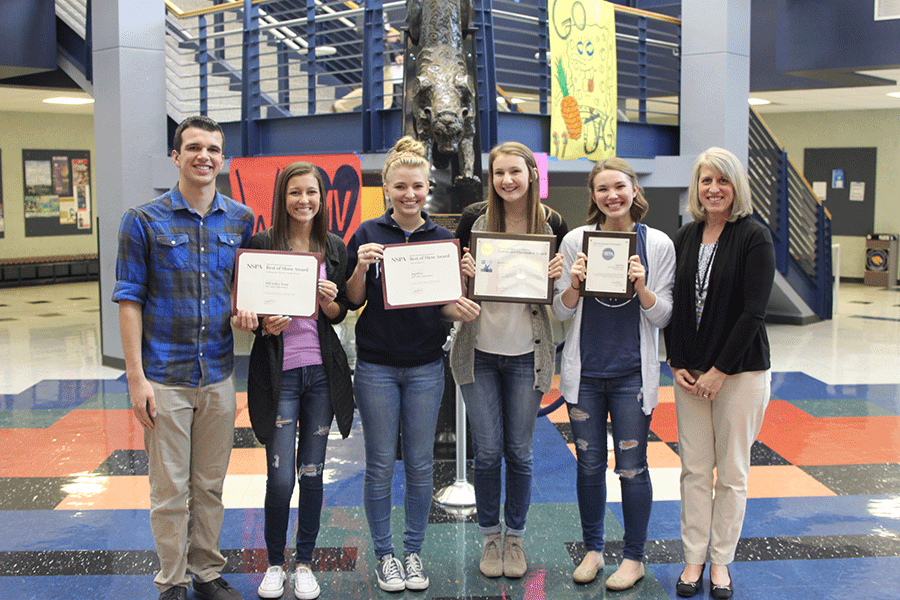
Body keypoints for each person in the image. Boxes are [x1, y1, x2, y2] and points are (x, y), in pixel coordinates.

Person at [113, 115, 255, 600]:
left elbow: (243, 289)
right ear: (176, 156)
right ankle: (172, 580)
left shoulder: (240, 220)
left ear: (222, 158)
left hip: (218, 373)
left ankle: (207, 573)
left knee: (210, 485)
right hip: (165, 376)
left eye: (213, 149)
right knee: (170, 490)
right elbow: (129, 300)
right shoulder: (143, 220)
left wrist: (248, 312)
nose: (204, 156)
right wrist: (136, 378)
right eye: (193, 147)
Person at [345, 136, 480, 592]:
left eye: (417, 186)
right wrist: (360, 267)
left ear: (429, 189)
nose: (409, 194)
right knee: (381, 464)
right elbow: (353, 301)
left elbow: (440, 306)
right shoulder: (366, 234)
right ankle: (386, 556)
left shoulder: (444, 240)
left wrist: (456, 306)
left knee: (421, 465)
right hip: (377, 367)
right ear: (386, 188)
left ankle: (414, 552)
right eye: (400, 186)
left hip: (425, 366)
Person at [552, 157, 674, 589]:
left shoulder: (656, 244)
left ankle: (634, 557)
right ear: (593, 196)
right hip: (585, 375)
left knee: (632, 468)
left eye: (619, 186)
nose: (612, 196)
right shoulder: (574, 242)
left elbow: (663, 317)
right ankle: (593, 550)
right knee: (588, 465)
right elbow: (559, 310)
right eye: (602, 189)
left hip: (631, 376)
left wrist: (642, 287)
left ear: (634, 190)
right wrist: (574, 285)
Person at [450, 141, 567, 579]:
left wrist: (556, 280)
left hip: (526, 356)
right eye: (499, 173)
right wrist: (461, 273)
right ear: (491, 178)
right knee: (487, 452)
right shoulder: (473, 220)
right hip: (479, 352)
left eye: (515, 172)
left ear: (532, 175)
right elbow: (454, 290)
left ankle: (514, 539)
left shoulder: (552, 222)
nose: (507, 180)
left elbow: (561, 306)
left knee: (519, 453)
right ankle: (490, 539)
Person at [665, 148, 775, 600]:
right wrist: (676, 362)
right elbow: (672, 307)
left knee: (731, 471)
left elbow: (753, 313)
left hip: (740, 374)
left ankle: (722, 563)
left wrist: (718, 371)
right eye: (706, 180)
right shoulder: (685, 237)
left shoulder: (754, 236)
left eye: (723, 182)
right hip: (689, 374)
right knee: (693, 470)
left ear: (736, 188)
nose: (714, 189)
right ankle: (694, 558)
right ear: (697, 187)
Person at [245, 162, 355, 600]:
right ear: (282, 197)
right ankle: (274, 561)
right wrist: (262, 324)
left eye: (311, 192)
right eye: (295, 192)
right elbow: (249, 312)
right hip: (280, 374)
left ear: (322, 198)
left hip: (322, 375)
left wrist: (330, 303)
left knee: (313, 472)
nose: (303, 200)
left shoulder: (334, 247)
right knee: (280, 478)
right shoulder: (261, 245)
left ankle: (305, 561)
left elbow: (341, 312)